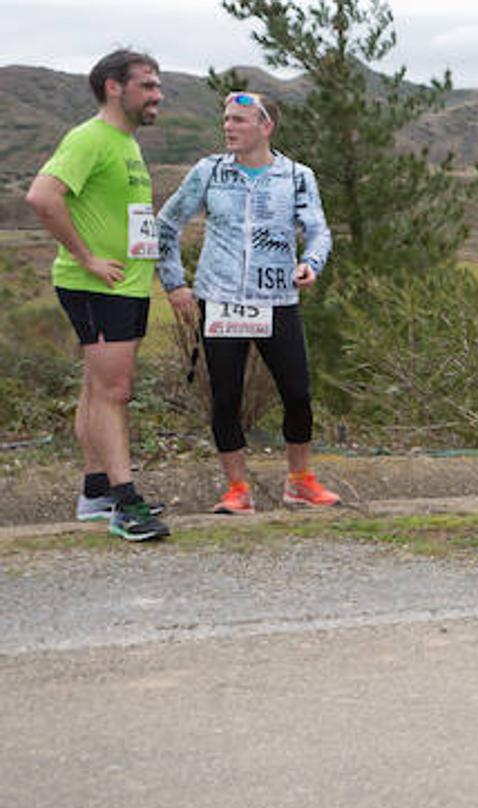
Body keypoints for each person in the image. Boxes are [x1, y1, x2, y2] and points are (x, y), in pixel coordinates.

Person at [155, 91, 337, 515]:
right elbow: (167, 224)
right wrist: (174, 284)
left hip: (277, 299)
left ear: (265, 126)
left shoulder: (296, 177)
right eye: (226, 120)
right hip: (219, 300)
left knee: (298, 393)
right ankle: (237, 489)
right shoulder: (209, 172)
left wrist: (311, 262)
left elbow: (318, 230)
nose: (228, 127)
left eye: (239, 120)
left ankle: (300, 482)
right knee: (225, 398)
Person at [23, 49, 170, 541]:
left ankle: (96, 491)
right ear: (114, 87)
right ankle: (126, 504)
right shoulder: (90, 138)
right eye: (147, 85)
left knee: (96, 387)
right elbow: (43, 197)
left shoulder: (124, 142)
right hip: (97, 286)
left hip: (123, 286)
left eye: (157, 86)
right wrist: (86, 257)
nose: (157, 95)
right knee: (115, 391)